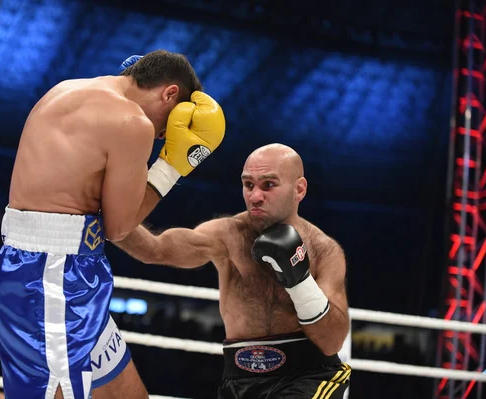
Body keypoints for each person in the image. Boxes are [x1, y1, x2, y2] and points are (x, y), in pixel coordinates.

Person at [0, 50, 226, 399]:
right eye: (171, 123)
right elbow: (119, 226)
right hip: (53, 279)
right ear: (170, 93)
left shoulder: (67, 89)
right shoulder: (133, 122)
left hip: (53, 271)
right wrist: (172, 166)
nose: (163, 135)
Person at [113, 143, 351, 398]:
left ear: (299, 189)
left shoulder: (323, 250)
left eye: (268, 185)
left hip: (308, 376)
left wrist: (299, 282)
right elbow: (155, 250)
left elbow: (332, 342)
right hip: (239, 380)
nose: (255, 196)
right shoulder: (228, 235)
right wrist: (106, 211)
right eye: (248, 185)